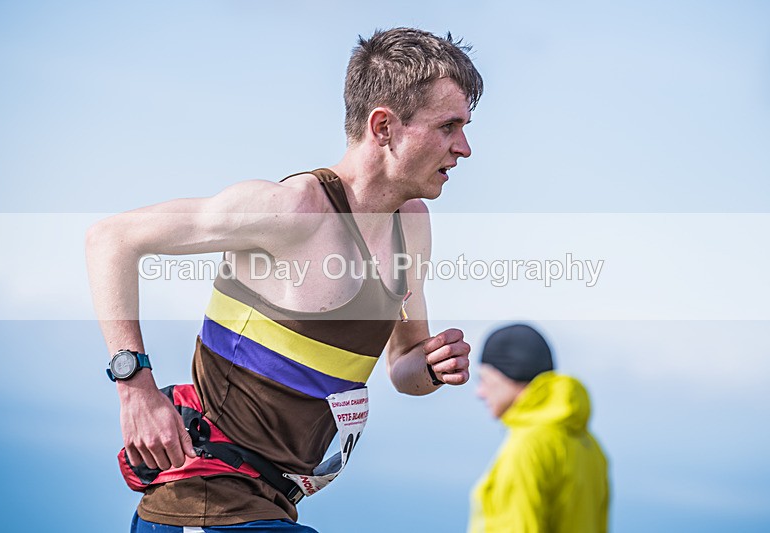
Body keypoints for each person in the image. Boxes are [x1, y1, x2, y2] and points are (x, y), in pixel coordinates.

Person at [86, 27, 483, 532]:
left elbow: (403, 367)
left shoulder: (413, 225)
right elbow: (111, 239)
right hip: (204, 502)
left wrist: (430, 366)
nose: (465, 147)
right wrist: (135, 388)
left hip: (273, 506)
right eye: (448, 125)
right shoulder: (292, 209)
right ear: (383, 126)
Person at [469, 324, 609, 533]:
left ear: (509, 373)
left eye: (484, 379)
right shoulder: (588, 444)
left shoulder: (527, 446)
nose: (479, 392)